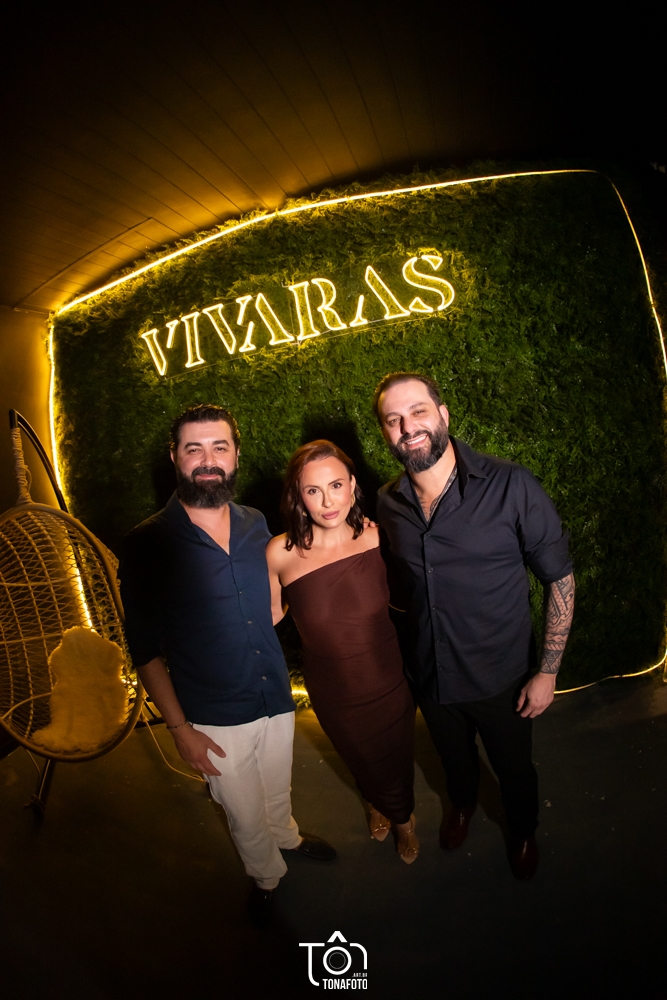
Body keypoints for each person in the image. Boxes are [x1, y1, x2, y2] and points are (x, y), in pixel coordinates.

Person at [118, 404, 335, 924]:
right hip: (214, 715)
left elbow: (273, 597)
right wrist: (180, 730)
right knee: (242, 810)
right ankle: (265, 876)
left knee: (277, 786)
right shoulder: (147, 542)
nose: (208, 459)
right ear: (175, 457)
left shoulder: (255, 522)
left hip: (273, 693)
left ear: (236, 454)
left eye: (219, 447)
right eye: (194, 449)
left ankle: (287, 836)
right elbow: (144, 651)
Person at [373, 373, 575, 879]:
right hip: (430, 675)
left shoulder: (512, 485)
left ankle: (523, 830)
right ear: (385, 433)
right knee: (454, 761)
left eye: (418, 412)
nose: (408, 427)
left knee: (514, 769)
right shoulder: (387, 503)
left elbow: (560, 579)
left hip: (501, 676)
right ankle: (461, 806)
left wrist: (548, 671)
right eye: (394, 419)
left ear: (443, 415)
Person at [266, 440, 418, 864]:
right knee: (358, 757)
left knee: (396, 760)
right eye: (313, 490)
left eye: (335, 485)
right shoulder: (280, 552)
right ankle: (373, 801)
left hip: (388, 682)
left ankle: (404, 820)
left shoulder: (379, 538)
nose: (327, 501)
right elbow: (267, 617)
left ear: (352, 485)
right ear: (298, 496)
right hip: (333, 693)